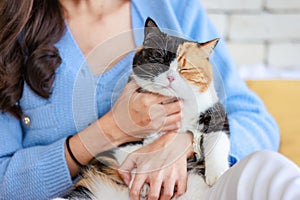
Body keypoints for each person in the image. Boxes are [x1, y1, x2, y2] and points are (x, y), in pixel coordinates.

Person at [0, 0, 299, 199]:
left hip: (194, 189)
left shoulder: (173, 8)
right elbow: (4, 181)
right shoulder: (13, 27)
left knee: (270, 170)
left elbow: (254, 118)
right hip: (103, 192)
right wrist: (112, 129)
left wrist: (184, 144)